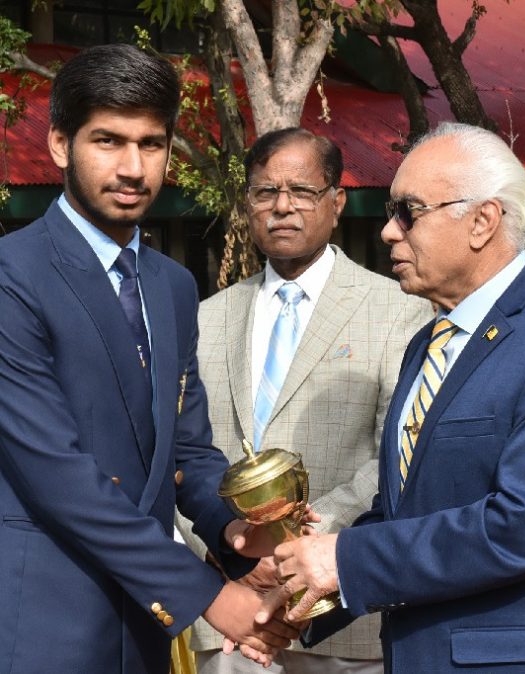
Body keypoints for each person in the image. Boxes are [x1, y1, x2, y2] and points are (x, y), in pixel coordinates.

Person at [0, 44, 299, 674]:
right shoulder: (13, 277)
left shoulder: (172, 285)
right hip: (43, 626)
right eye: (108, 141)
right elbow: (57, 474)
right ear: (60, 144)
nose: (133, 168)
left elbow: (186, 449)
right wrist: (211, 596)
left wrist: (235, 533)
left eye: (152, 144)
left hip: (143, 633)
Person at [256, 121, 525, 673]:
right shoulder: (430, 341)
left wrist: (346, 560)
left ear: (483, 221)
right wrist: (309, 598)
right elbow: (406, 510)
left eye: (408, 212)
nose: (388, 232)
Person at [176, 127, 433, 674]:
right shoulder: (205, 318)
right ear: (247, 203)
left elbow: (398, 458)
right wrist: (230, 553)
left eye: (302, 191)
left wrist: (298, 548)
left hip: (341, 612)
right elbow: (182, 457)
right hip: (232, 615)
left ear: (336, 203)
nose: (282, 207)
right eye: (266, 192)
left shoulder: (400, 311)